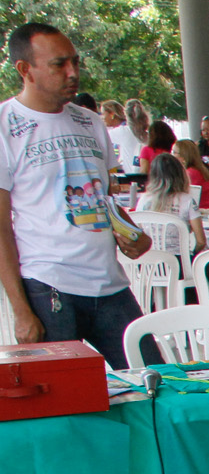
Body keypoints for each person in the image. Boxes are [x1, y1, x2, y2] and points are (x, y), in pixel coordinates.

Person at [0, 24, 150, 365]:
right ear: (25, 70)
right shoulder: (5, 125)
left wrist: (134, 234)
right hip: (48, 286)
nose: (73, 73)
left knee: (153, 380)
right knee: (62, 396)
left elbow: (105, 198)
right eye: (59, 64)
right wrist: (21, 310)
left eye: (76, 63)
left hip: (109, 283)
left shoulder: (91, 122)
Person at [135, 153, 207, 257]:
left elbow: (138, 232)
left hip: (149, 264)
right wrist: (192, 255)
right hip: (179, 262)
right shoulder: (187, 201)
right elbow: (201, 241)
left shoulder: (143, 200)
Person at [173, 138, 209, 220]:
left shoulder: (191, 173)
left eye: (174, 152)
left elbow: (183, 197)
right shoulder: (196, 169)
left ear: (183, 156)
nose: (172, 155)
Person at [99, 98, 143, 175]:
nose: (101, 117)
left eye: (103, 113)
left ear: (112, 114)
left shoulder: (121, 131)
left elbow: (99, 136)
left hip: (130, 177)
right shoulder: (130, 128)